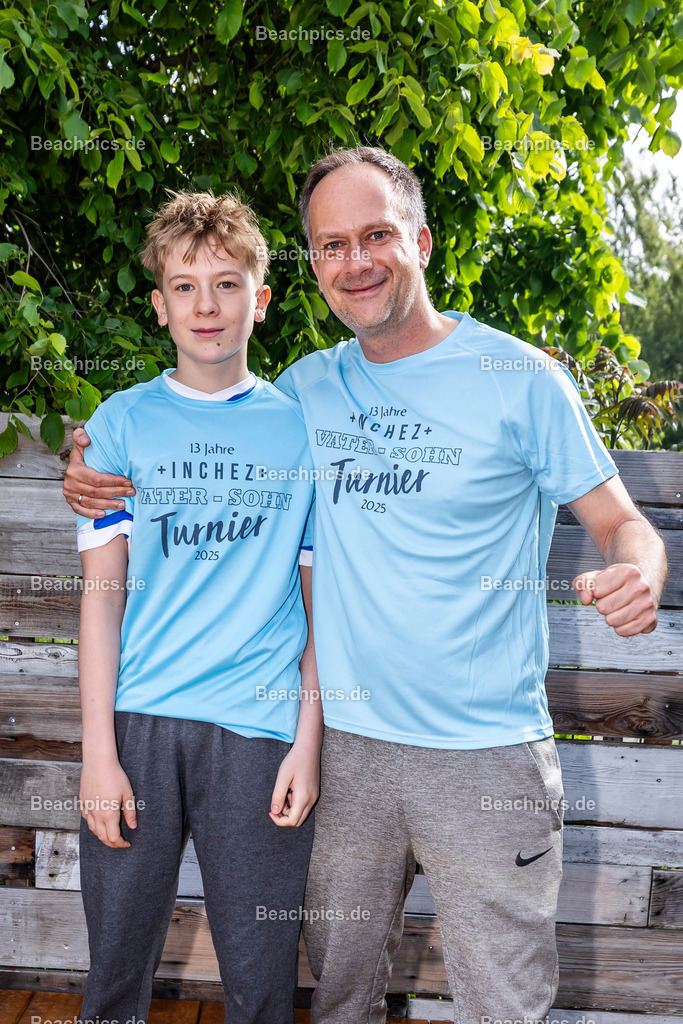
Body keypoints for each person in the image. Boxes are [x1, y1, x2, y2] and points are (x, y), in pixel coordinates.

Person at [65, 150, 667, 1024]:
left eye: (377, 235)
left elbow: (621, 524)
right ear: (311, 267)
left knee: (504, 1001)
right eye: (332, 243)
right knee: (338, 993)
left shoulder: (519, 378)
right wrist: (78, 462)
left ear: (419, 241)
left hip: (482, 756)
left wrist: (637, 572)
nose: (356, 261)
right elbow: (178, 428)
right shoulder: (306, 391)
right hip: (341, 752)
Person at [73, 190, 321, 1024]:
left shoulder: (301, 434)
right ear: (158, 305)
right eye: (184, 287)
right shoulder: (119, 425)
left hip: (258, 732)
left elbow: (323, 612)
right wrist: (97, 755)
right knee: (113, 973)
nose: (205, 307)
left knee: (259, 980)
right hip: (138, 728)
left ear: (262, 296)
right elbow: (101, 602)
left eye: (225, 284)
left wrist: (308, 742)